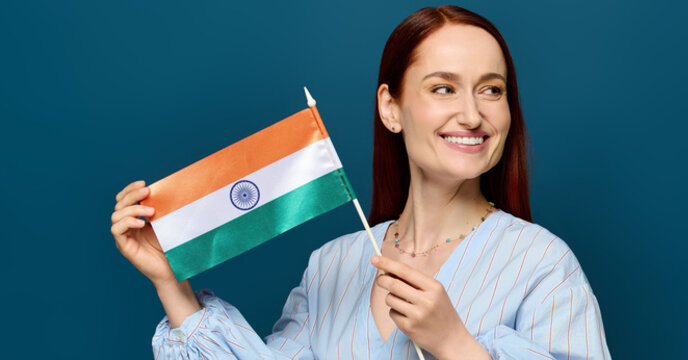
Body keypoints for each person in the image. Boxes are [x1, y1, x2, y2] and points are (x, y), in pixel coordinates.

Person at [111, 5, 611, 360]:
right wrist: (171, 281)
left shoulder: (543, 265)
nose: (472, 114)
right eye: (443, 88)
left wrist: (455, 345)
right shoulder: (332, 265)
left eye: (492, 90)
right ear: (391, 108)